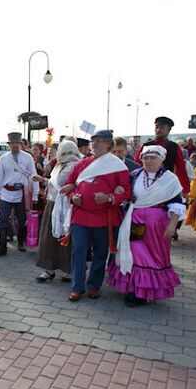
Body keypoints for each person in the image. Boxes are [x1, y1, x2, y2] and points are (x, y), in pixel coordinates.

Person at [107, 145, 185, 306]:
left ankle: (147, 290)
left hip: (157, 223)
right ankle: (135, 291)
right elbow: (126, 194)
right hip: (135, 221)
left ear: (161, 159)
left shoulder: (170, 179)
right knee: (136, 252)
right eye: (146, 158)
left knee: (154, 255)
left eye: (153, 158)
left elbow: (177, 203)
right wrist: (120, 190)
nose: (149, 161)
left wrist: (172, 225)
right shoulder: (135, 175)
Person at [61, 130, 131, 301]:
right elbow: (70, 184)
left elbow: (126, 191)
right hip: (81, 216)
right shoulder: (82, 164)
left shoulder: (118, 166)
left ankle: (94, 286)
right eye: (93, 141)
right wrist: (73, 197)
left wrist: (110, 197)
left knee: (100, 253)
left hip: (104, 217)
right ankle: (77, 287)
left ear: (109, 144)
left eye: (100, 141)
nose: (95, 144)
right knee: (78, 252)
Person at [33, 141, 82, 282]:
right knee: (49, 238)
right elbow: (55, 184)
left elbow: (62, 184)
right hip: (53, 204)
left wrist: (45, 180)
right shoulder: (60, 164)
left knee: (65, 238)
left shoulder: (76, 165)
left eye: (62, 150)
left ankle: (68, 271)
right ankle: (48, 269)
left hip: (67, 207)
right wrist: (43, 180)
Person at [0, 132, 39, 256]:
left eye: (16, 143)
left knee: (22, 219)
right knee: (2, 220)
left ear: (20, 144)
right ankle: (2, 246)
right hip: (6, 193)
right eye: (12, 143)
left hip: (21, 194)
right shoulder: (3, 158)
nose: (14, 145)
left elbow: (34, 175)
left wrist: (35, 194)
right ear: (9, 144)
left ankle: (21, 242)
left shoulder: (28, 157)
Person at [134, 116, 190, 195]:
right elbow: (136, 165)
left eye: (162, 127)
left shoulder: (174, 147)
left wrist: (185, 189)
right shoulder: (146, 146)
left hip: (166, 184)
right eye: (157, 127)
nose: (158, 130)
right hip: (146, 184)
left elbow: (181, 169)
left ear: (169, 130)